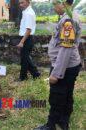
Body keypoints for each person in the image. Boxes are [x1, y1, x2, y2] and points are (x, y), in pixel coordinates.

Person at [34, 0, 82, 130]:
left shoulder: (68, 20)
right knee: (67, 93)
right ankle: (63, 121)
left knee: (57, 95)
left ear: (63, 3)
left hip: (63, 66)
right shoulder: (72, 15)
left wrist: (56, 73)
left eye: (55, 4)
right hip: (70, 64)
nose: (54, 7)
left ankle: (51, 125)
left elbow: (65, 49)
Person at [17, 0, 40, 81]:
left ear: (28, 2)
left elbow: (28, 30)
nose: (20, 5)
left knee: (24, 59)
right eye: (19, 3)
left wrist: (22, 42)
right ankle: (36, 74)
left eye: (22, 2)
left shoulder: (29, 13)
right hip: (26, 38)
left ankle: (22, 77)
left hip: (27, 38)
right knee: (25, 58)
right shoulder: (26, 12)